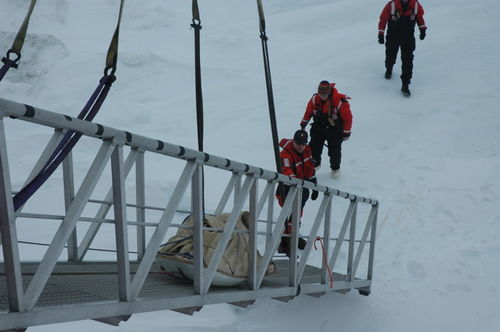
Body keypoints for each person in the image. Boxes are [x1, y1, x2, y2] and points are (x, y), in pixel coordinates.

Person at [276, 129, 318, 256]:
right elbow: (287, 172)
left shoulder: (306, 151)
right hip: (286, 189)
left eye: (303, 143)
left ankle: (291, 238)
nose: (300, 146)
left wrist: (314, 184)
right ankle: (286, 242)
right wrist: (300, 184)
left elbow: (309, 168)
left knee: (297, 214)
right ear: (294, 141)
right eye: (298, 143)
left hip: (301, 189)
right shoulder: (285, 154)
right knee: (291, 215)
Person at [300, 80, 352, 179]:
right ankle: (315, 164)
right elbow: (309, 111)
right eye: (321, 94)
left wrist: (346, 133)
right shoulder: (315, 99)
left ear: (329, 92)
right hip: (318, 128)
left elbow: (347, 118)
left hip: (334, 130)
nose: (322, 96)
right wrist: (303, 124)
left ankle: (335, 168)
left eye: (325, 94)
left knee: (334, 151)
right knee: (314, 148)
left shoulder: (340, 102)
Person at [378, 0, 427, 96]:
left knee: (408, 61)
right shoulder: (391, 5)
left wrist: (422, 29)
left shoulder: (416, 5)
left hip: (408, 38)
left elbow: (420, 18)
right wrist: (381, 33)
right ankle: (389, 69)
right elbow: (383, 19)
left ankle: (405, 85)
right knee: (390, 56)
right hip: (393, 37)